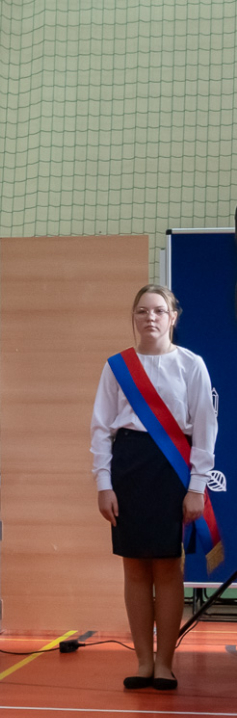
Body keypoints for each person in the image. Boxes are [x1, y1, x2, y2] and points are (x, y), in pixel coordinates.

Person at [91, 284, 217, 691]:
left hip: (172, 472)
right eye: (142, 311)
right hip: (129, 468)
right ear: (134, 317)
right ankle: (143, 661)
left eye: (159, 311)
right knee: (134, 568)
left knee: (167, 567)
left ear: (172, 317)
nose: (150, 318)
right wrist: (103, 483)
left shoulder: (191, 364)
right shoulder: (117, 367)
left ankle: (166, 662)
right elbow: (100, 431)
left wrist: (197, 485)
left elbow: (204, 429)